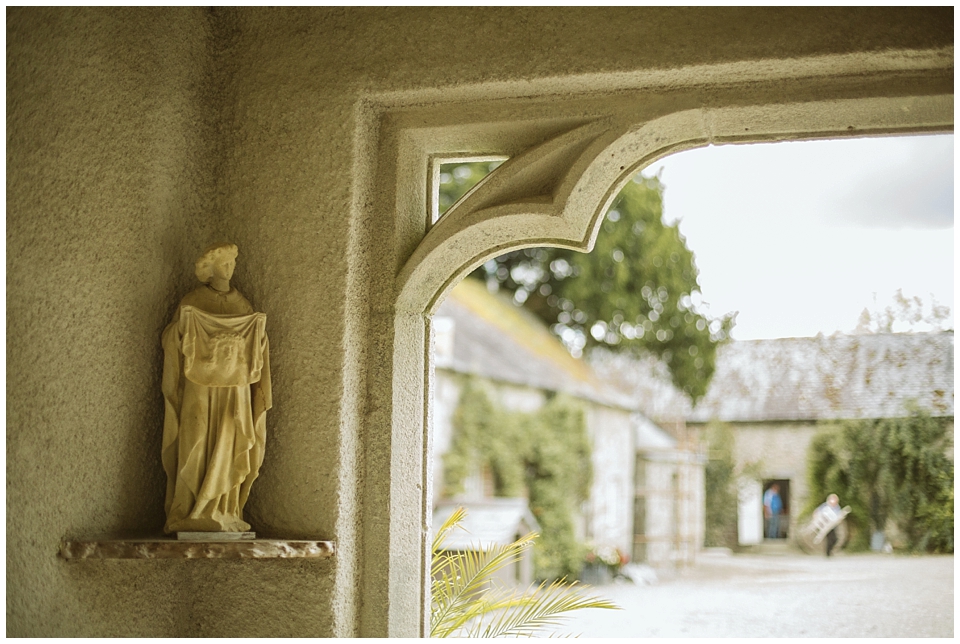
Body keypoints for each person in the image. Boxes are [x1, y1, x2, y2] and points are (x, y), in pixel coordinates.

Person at [160, 243, 272, 534]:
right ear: (209, 270)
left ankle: (225, 507)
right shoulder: (192, 300)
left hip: (234, 390)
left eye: (232, 263)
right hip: (199, 387)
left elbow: (255, 346)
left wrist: (258, 337)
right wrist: (183, 330)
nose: (229, 269)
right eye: (224, 264)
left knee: (231, 437)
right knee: (195, 437)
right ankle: (189, 507)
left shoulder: (242, 303)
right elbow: (171, 339)